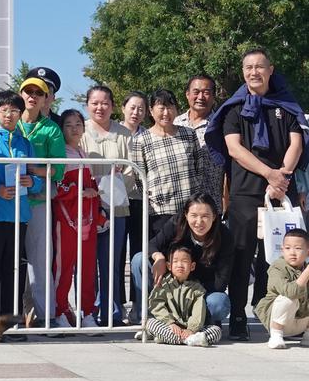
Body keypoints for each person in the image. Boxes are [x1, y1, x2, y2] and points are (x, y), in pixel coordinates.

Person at [204, 47, 309, 341]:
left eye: (260, 67)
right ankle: (238, 316)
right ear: (243, 72)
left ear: (270, 70)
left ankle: (271, 314)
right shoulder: (234, 108)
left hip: (281, 193)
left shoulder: (286, 105)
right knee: (241, 257)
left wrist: (282, 177)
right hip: (245, 193)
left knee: (275, 258)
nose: (254, 72)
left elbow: (296, 144)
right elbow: (235, 149)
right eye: (249, 67)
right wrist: (270, 174)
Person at [0, 90, 42, 336]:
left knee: (15, 270)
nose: (9, 115)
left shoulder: (25, 144)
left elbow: (38, 178)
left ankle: (12, 323)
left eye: (14, 111)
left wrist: (31, 183)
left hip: (19, 216)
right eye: (4, 110)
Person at [129, 193, 233, 325]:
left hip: (199, 292)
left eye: (205, 216)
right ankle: (148, 318)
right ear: (186, 214)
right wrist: (159, 257)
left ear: (214, 217)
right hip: (171, 287)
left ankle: (197, 321)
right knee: (139, 259)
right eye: (194, 216)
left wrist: (187, 293)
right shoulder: (177, 223)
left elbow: (221, 283)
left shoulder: (224, 236)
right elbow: (151, 245)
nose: (199, 222)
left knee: (219, 303)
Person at [80, 85, 136, 326]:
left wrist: (116, 182)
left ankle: (110, 311)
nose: (99, 107)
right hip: (85, 208)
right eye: (94, 103)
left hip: (116, 207)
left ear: (113, 106)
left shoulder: (124, 134)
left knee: (110, 261)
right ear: (87, 105)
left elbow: (132, 169)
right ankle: (86, 311)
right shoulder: (79, 129)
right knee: (85, 262)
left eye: (105, 103)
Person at [16, 75, 65, 325]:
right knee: (9, 259)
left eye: (39, 92)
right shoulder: (9, 122)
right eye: (28, 91)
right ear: (21, 94)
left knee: (39, 260)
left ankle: (46, 316)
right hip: (9, 201)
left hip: (39, 200)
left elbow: (57, 170)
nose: (32, 96)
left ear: (46, 99)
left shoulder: (51, 128)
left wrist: (30, 169)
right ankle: (9, 314)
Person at [130, 89, 211, 235]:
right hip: (160, 212)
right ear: (151, 110)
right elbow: (139, 178)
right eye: (161, 108)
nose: (166, 113)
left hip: (190, 210)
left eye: (170, 107)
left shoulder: (189, 134)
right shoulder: (141, 140)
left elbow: (200, 166)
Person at [52, 110, 101, 330]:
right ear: (61, 128)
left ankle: (87, 311)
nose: (74, 128)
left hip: (87, 220)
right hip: (66, 219)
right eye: (69, 124)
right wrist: (79, 191)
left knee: (88, 267)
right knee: (63, 266)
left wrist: (96, 204)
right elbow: (57, 187)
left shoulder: (83, 153)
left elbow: (92, 188)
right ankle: (59, 310)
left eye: (78, 124)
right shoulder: (60, 153)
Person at [143, 244, 223, 346]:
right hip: (169, 325)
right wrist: (170, 322)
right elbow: (156, 303)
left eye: (184, 261)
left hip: (189, 328)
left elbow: (199, 310)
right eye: (175, 261)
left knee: (216, 330)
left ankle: (172, 338)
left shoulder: (197, 289)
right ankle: (189, 340)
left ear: (192, 266)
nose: (180, 265)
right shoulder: (163, 284)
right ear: (168, 266)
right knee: (151, 323)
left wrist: (191, 329)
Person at [175, 75, 224, 214]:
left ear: (214, 96)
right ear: (187, 94)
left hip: (210, 206)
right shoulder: (175, 124)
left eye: (206, 92)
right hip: (179, 206)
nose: (201, 97)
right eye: (196, 92)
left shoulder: (221, 126)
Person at [255, 228, 309, 349]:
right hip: (277, 321)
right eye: (288, 248)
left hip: (300, 322)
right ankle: (276, 336)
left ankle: (307, 336)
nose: (292, 252)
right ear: (282, 250)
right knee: (288, 298)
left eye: (298, 248)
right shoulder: (277, 268)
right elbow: (291, 292)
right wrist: (307, 273)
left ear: (307, 252)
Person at [121, 91, 148, 316]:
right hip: (118, 201)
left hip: (140, 201)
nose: (136, 112)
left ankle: (138, 304)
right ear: (123, 108)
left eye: (141, 109)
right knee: (117, 253)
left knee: (139, 254)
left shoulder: (147, 136)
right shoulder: (115, 132)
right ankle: (116, 304)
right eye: (132, 107)